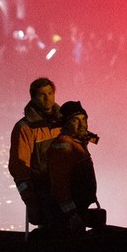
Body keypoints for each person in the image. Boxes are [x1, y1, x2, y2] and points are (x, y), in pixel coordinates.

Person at [8, 77, 62, 224]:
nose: (47, 98)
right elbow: (19, 168)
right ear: (33, 97)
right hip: (43, 193)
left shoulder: (64, 122)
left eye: (50, 93)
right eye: (42, 94)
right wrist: (31, 202)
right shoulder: (25, 128)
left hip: (66, 191)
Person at [46, 100, 101, 234]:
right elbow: (59, 185)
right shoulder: (64, 146)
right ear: (65, 123)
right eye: (75, 120)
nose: (82, 124)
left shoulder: (77, 142)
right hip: (67, 217)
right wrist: (71, 214)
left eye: (84, 119)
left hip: (79, 209)